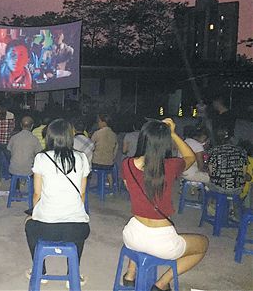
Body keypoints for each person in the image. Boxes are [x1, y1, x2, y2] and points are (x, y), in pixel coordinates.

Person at [121, 118, 208, 291]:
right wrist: (173, 133)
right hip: (162, 242)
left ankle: (130, 275)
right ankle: (161, 284)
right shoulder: (172, 165)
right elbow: (190, 156)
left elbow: (129, 187)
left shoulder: (127, 164)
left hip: (131, 236)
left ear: (143, 139)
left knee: (139, 229)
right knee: (203, 244)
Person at [25, 119, 90, 287]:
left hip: (46, 227)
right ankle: (73, 273)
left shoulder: (41, 158)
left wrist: (35, 213)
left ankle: (41, 272)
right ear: (70, 137)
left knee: (29, 225)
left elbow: (37, 194)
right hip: (76, 229)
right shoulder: (82, 158)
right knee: (80, 226)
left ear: (49, 137)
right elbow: (82, 194)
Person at [207, 127, 247, 196]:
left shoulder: (213, 151)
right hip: (236, 189)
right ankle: (235, 203)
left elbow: (211, 172)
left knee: (205, 182)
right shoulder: (242, 152)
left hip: (218, 188)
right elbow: (244, 173)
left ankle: (211, 203)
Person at [91, 113, 118, 187]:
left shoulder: (97, 133)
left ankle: (90, 185)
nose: (98, 123)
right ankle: (111, 187)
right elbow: (115, 151)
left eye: (99, 121)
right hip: (109, 164)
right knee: (109, 171)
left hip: (96, 164)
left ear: (104, 123)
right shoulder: (114, 135)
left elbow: (91, 147)